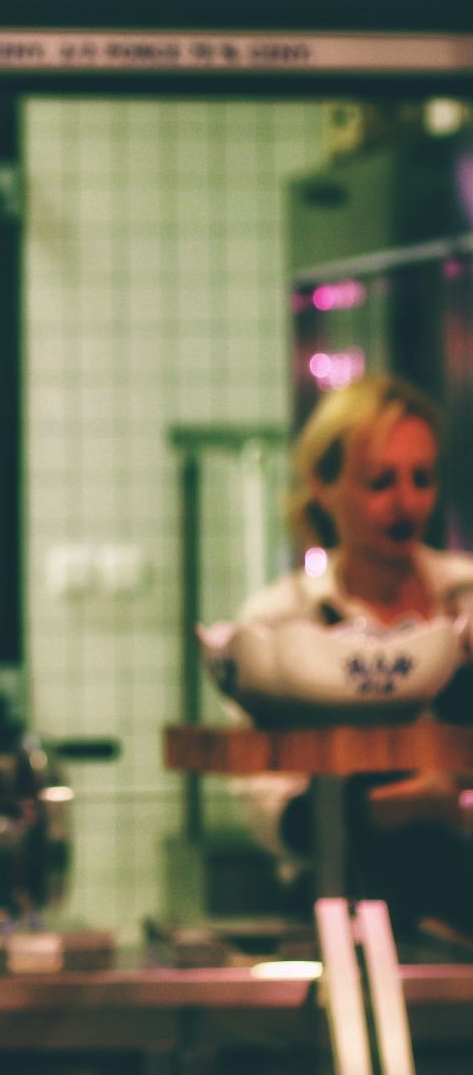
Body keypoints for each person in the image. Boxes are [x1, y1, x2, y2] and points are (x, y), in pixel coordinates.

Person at [236, 374, 473, 928]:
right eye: (380, 482)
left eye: (422, 479)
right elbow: (274, 818)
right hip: (336, 904)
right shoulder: (279, 623)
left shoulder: (465, 597)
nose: (405, 502)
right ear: (323, 483)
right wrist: (411, 804)